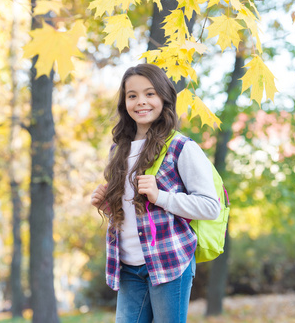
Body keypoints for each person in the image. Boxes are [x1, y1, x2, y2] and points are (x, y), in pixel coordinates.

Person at [91, 63, 221, 323]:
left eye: (150, 94)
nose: (141, 102)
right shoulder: (118, 150)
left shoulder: (180, 146)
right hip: (128, 265)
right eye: (132, 95)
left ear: (164, 97)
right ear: (124, 102)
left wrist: (161, 196)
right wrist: (107, 203)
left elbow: (210, 206)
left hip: (169, 261)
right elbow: (131, 211)